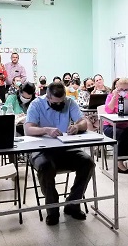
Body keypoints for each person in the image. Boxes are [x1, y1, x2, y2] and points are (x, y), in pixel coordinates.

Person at [24, 82, 95, 226]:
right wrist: (46, 130)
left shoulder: (69, 102)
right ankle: (52, 209)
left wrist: (76, 126)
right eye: (55, 103)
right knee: (45, 167)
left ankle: (73, 203)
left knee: (88, 163)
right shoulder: (36, 104)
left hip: (65, 147)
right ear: (48, 97)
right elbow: (28, 129)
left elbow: (83, 122)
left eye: (62, 101)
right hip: (42, 149)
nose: (60, 105)